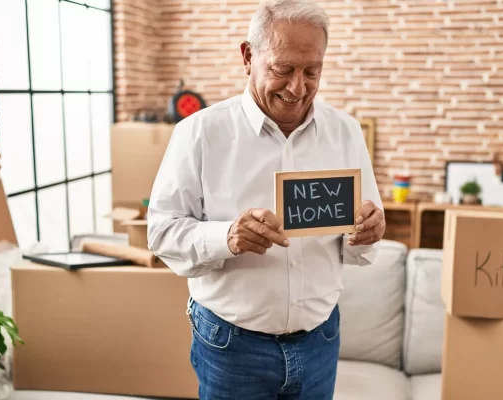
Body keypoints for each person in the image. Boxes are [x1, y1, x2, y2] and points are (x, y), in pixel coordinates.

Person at [147, 0, 385, 398]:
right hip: (231, 347)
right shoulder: (199, 133)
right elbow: (161, 232)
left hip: (320, 341)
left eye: (313, 71)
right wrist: (228, 237)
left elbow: (359, 242)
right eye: (283, 69)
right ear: (247, 56)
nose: (298, 87)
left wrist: (368, 231)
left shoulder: (346, 133)